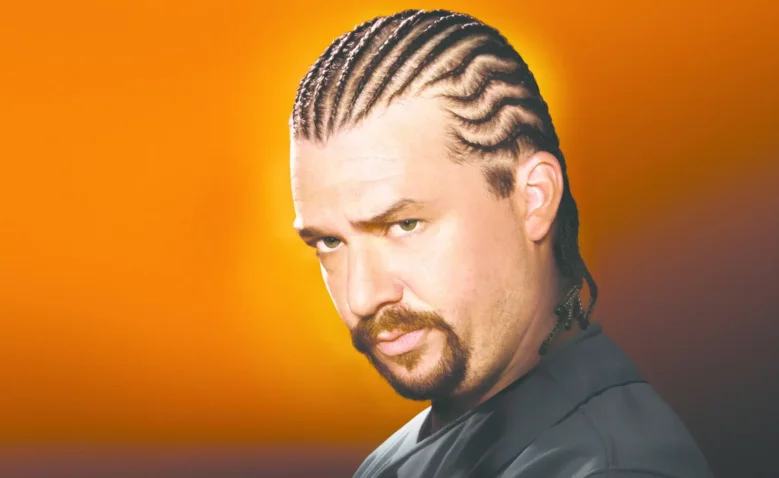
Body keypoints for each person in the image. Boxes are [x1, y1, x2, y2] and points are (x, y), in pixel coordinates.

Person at [288, 9, 714, 478]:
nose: (362, 297)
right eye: (330, 241)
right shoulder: (395, 461)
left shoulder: (613, 468)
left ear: (533, 198)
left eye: (405, 225)